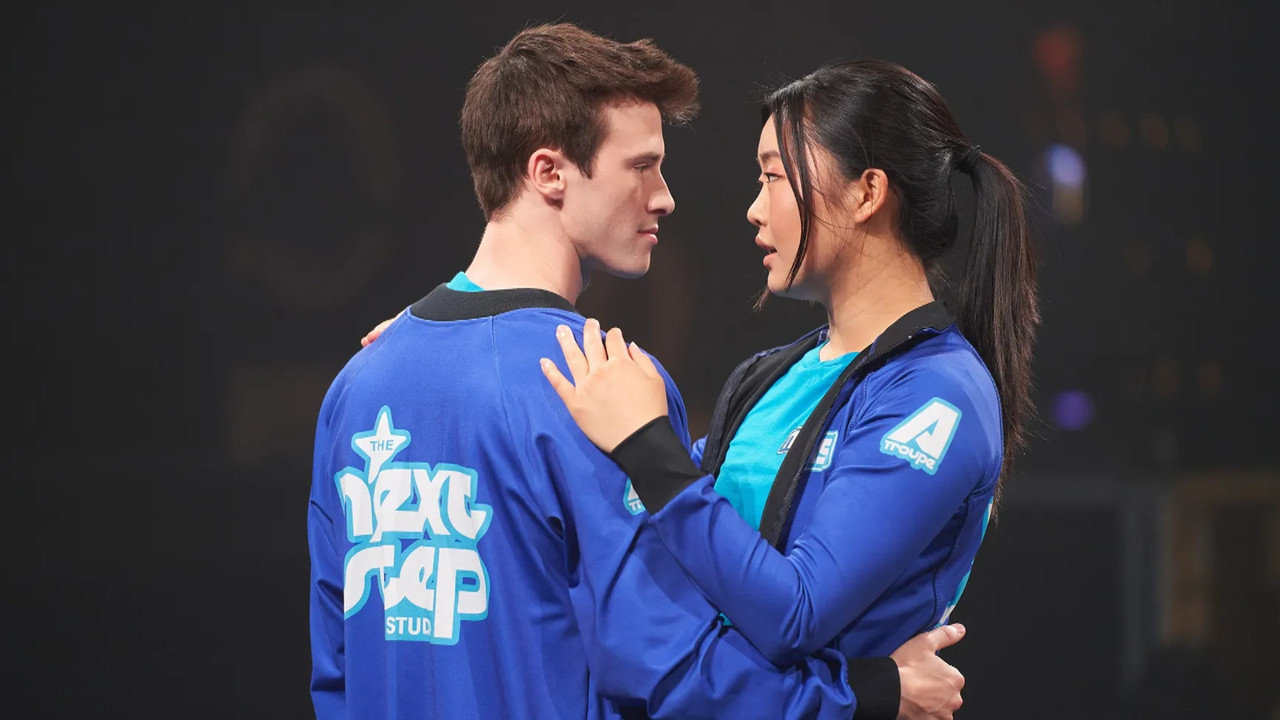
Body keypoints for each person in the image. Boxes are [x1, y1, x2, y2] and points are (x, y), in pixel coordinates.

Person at [314, 25, 966, 720]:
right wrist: (865, 693)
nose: (664, 197)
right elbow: (669, 669)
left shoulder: (359, 381)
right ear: (549, 173)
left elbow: (336, 670)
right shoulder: (602, 386)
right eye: (642, 166)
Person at [544, 58, 1039, 669]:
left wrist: (648, 444)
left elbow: (795, 613)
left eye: (773, 176)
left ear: (867, 193)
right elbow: (658, 531)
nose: (755, 209)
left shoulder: (938, 394)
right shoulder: (767, 376)